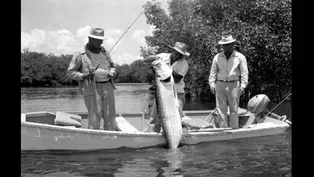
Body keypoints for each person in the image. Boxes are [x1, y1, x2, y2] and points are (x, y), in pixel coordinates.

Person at [67, 27, 117, 130]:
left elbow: (112, 65)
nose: (101, 42)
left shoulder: (105, 52)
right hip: (91, 87)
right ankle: (95, 141)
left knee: (110, 116)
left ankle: (111, 139)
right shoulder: (80, 54)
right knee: (95, 117)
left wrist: (113, 71)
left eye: (101, 40)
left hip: (108, 86)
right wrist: (83, 76)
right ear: (90, 39)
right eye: (98, 40)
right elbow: (70, 72)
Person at [145, 42, 190, 132]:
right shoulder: (163, 56)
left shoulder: (184, 63)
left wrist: (163, 67)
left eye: (180, 54)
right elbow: (146, 59)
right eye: (176, 52)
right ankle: (154, 133)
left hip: (178, 92)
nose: (178, 55)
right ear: (172, 50)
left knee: (177, 115)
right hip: (162, 91)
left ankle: (177, 134)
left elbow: (177, 79)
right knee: (155, 116)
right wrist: (156, 58)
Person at [208, 32, 249, 129]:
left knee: (234, 109)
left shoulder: (240, 57)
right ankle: (223, 130)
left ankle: (234, 129)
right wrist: (211, 84)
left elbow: (244, 72)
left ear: (232, 45)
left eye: (227, 45)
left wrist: (243, 85)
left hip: (234, 84)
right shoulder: (217, 57)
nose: (226, 47)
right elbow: (213, 72)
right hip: (219, 84)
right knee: (220, 109)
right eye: (224, 45)